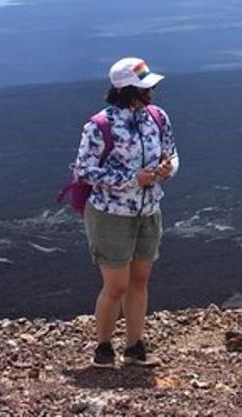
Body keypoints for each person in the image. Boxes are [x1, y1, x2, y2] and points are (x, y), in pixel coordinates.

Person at [72, 57, 178, 369]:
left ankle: (134, 346)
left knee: (140, 280)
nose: (152, 91)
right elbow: (85, 170)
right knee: (116, 284)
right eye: (145, 87)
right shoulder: (100, 125)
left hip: (148, 210)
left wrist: (166, 169)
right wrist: (132, 180)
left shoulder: (157, 118)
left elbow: (171, 153)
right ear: (125, 88)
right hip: (111, 214)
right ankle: (103, 346)